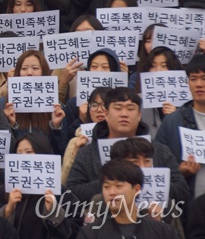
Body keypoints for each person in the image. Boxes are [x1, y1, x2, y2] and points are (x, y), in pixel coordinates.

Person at [66, 88, 189, 206]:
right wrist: (111, 182)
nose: (124, 114)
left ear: (139, 115)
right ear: (106, 114)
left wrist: (145, 182)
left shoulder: (159, 150)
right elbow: (72, 193)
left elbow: (181, 191)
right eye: (118, 108)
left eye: (130, 109)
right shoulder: (88, 153)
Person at [0, 132, 82, 239]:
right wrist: (8, 210)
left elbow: (73, 233)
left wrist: (54, 212)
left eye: (29, 152)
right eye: (18, 153)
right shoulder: (4, 192)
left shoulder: (63, 195)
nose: (23, 158)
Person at [77, 159, 180, 239]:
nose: (112, 192)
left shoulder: (163, 232)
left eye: (119, 186)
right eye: (106, 187)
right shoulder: (90, 233)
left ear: (136, 189)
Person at [155, 54, 205, 200]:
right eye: (193, 79)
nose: (199, 84)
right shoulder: (172, 122)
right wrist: (179, 171)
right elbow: (156, 167)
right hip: (188, 207)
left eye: (204, 78)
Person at [4, 50, 68, 156]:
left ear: (44, 72)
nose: (29, 73)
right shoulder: (5, 105)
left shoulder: (57, 108)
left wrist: (56, 127)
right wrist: (11, 125)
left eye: (35, 68)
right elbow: (5, 152)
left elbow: (62, 152)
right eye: (24, 68)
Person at [62, 87, 111, 184]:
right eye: (94, 105)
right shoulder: (76, 141)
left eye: (105, 105)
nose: (99, 110)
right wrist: (75, 153)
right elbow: (63, 183)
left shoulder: (124, 139)